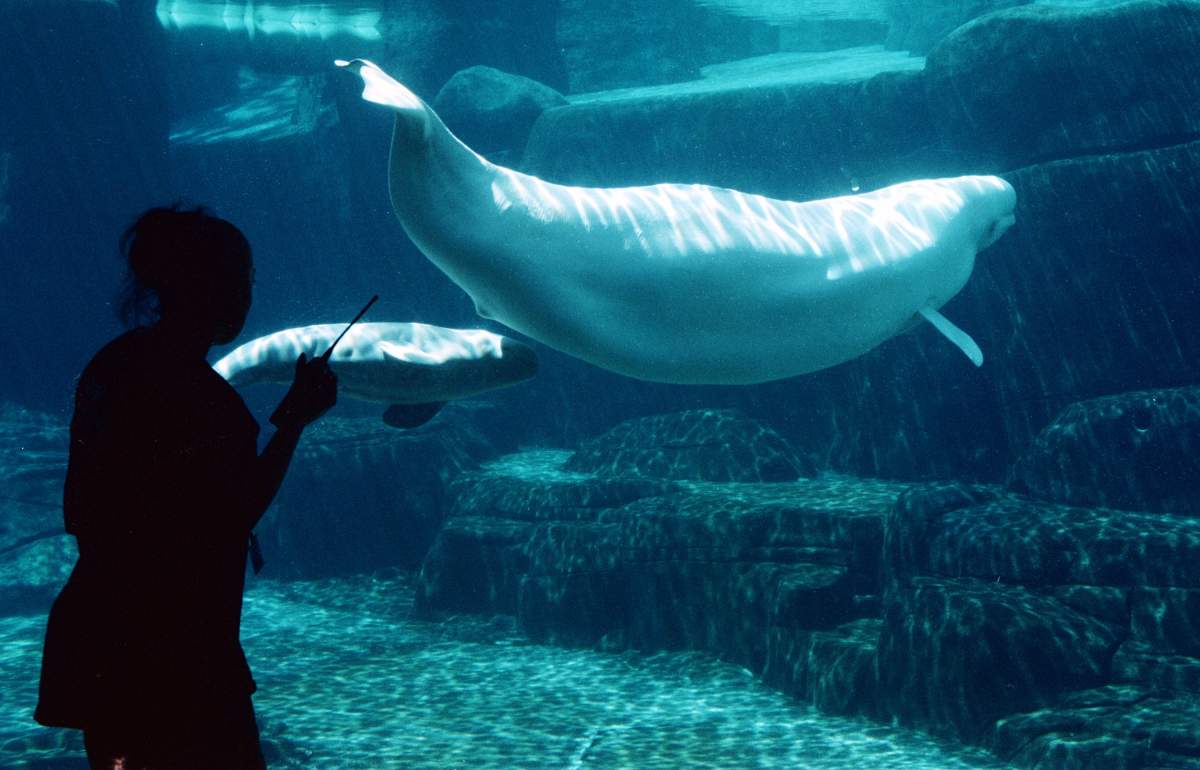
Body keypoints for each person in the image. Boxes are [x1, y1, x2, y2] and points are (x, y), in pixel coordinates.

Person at [34, 205, 338, 769]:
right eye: (240, 280)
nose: (248, 295)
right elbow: (234, 509)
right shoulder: (206, 401)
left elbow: (83, 508)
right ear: (206, 286)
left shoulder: (115, 364)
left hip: (105, 632)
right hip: (181, 646)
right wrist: (293, 421)